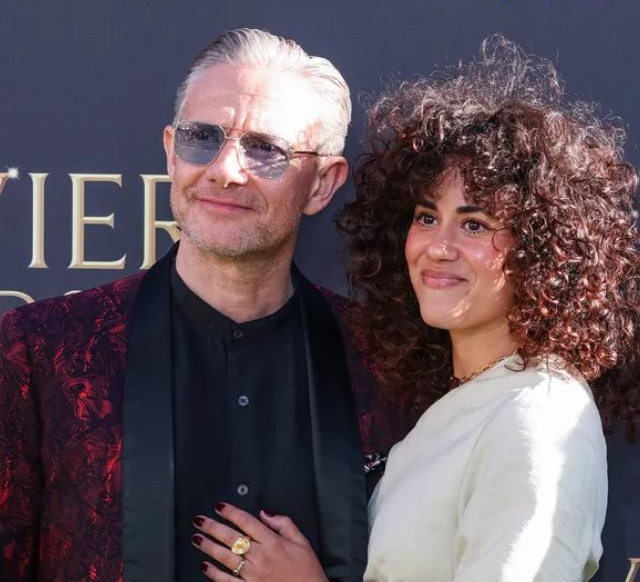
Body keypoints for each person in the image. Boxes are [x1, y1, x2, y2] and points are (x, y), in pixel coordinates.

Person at [0, 29, 412, 582]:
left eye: (265, 149)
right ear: (171, 153)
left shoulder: (387, 364)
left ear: (321, 184)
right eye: (202, 138)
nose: (225, 170)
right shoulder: (41, 351)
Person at [335, 37, 640, 582]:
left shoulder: (535, 416)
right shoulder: (478, 399)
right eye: (427, 217)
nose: (439, 247)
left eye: (474, 225)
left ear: (542, 251)